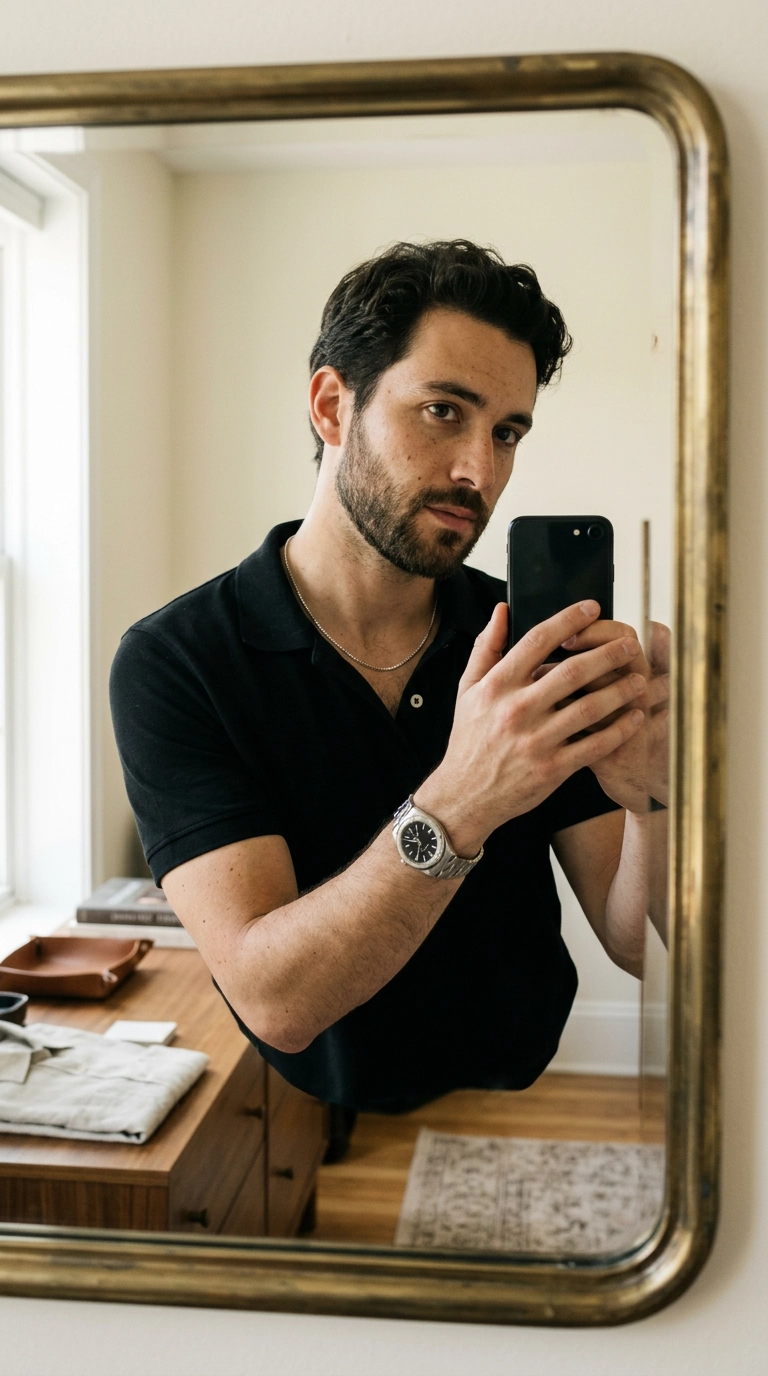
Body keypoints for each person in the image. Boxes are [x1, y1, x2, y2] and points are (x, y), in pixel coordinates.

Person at [110, 239, 669, 1131]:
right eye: (443, 411)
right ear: (334, 407)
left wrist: (653, 801)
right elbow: (274, 1000)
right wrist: (465, 797)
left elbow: (637, 943)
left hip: (527, 1106)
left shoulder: (528, 643)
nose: (478, 472)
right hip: (309, 1117)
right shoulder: (178, 661)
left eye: (508, 431)